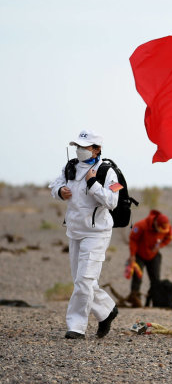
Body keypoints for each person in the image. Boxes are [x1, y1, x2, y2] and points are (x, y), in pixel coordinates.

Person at [49, 129, 120, 340]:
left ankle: (76, 326)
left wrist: (93, 184)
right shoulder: (70, 167)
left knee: (84, 281)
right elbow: (55, 184)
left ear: (97, 149)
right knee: (83, 281)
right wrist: (60, 191)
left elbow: (113, 201)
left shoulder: (108, 171)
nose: (80, 151)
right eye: (78, 147)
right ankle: (107, 310)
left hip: (97, 233)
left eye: (85, 147)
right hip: (74, 231)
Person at [126, 209, 172, 306]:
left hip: (154, 255)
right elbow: (133, 240)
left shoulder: (167, 226)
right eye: (160, 228)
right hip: (139, 255)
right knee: (137, 277)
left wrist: (160, 246)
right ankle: (135, 299)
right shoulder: (141, 225)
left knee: (156, 279)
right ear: (156, 223)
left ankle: (155, 300)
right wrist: (132, 255)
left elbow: (169, 237)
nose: (161, 231)